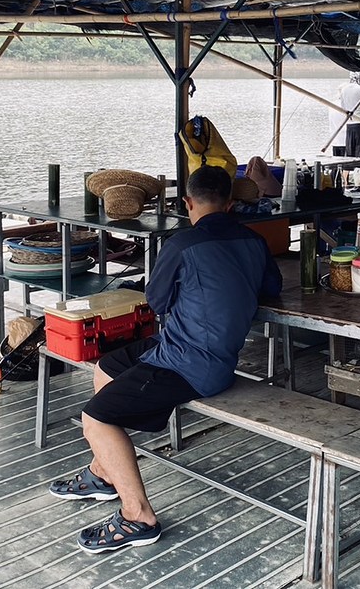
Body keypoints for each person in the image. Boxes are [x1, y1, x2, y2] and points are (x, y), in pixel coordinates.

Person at [48, 165, 282, 553]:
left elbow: (156, 301)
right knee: (108, 366)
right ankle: (103, 473)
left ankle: (137, 515)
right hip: (190, 349)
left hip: (191, 364)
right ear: (229, 203)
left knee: (96, 417)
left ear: (187, 203)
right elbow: (270, 288)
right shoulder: (254, 242)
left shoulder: (182, 243)